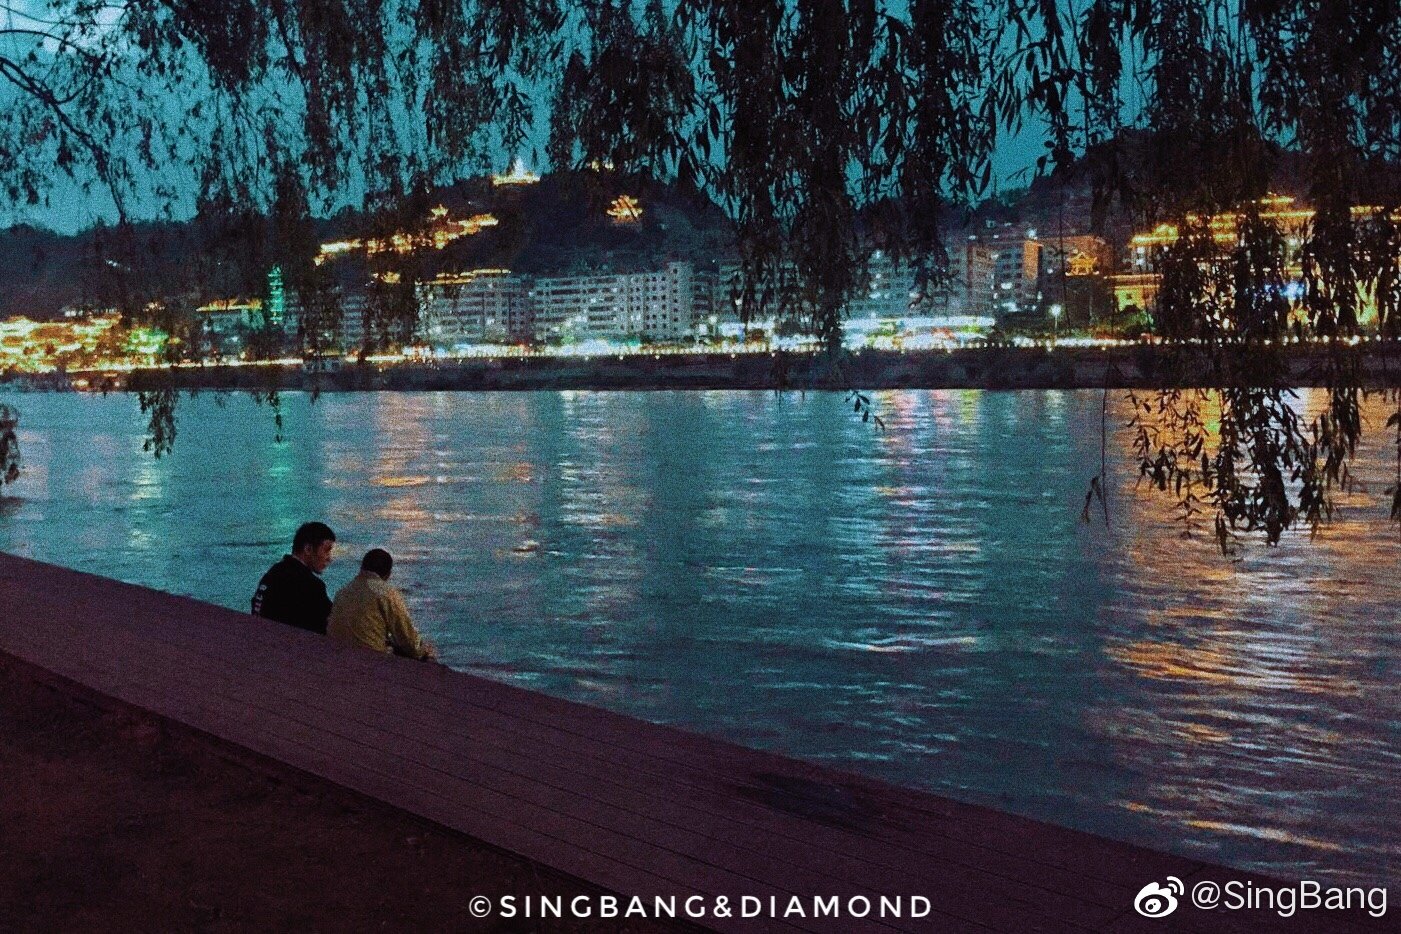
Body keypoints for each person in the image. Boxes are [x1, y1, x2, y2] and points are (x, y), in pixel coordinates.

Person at [327, 548, 436, 661]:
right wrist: (424, 652)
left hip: (336, 655)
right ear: (388, 574)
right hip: (368, 660)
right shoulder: (385, 592)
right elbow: (406, 636)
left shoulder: (343, 591)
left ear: (362, 568)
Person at [251, 521, 336, 634]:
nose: (329, 558)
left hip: (260, 638)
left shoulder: (273, 573)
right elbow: (332, 626)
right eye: (326, 550)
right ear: (308, 549)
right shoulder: (311, 586)